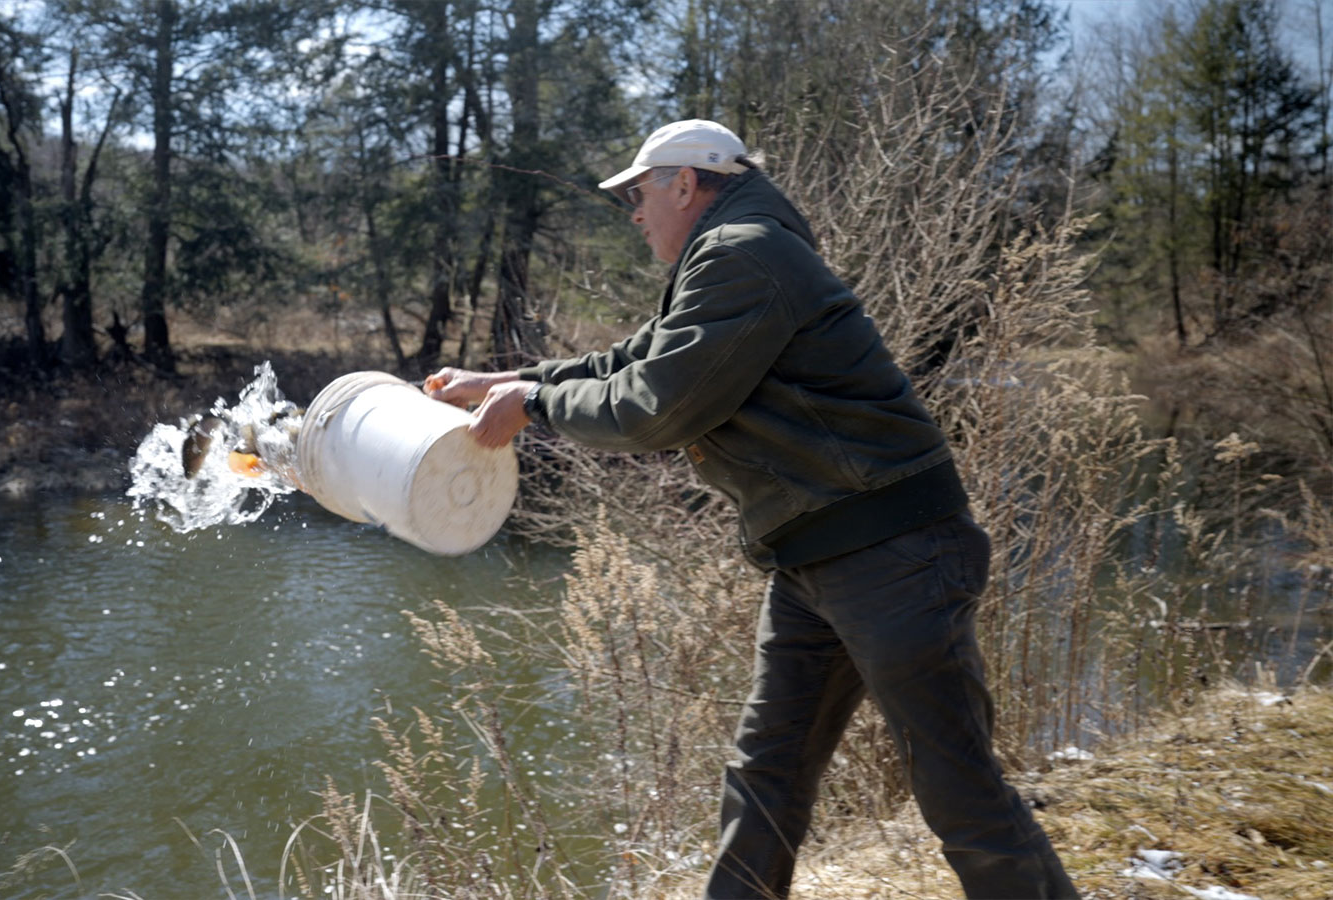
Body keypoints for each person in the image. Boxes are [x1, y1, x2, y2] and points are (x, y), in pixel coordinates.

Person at [424, 119, 1078, 900]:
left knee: (956, 786)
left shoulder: (746, 255)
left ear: (685, 183)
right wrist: (501, 381)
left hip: (892, 550)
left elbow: (658, 406)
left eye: (639, 194)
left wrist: (532, 402)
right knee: (767, 768)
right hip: (816, 554)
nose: (633, 213)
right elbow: (626, 362)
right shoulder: (727, 255)